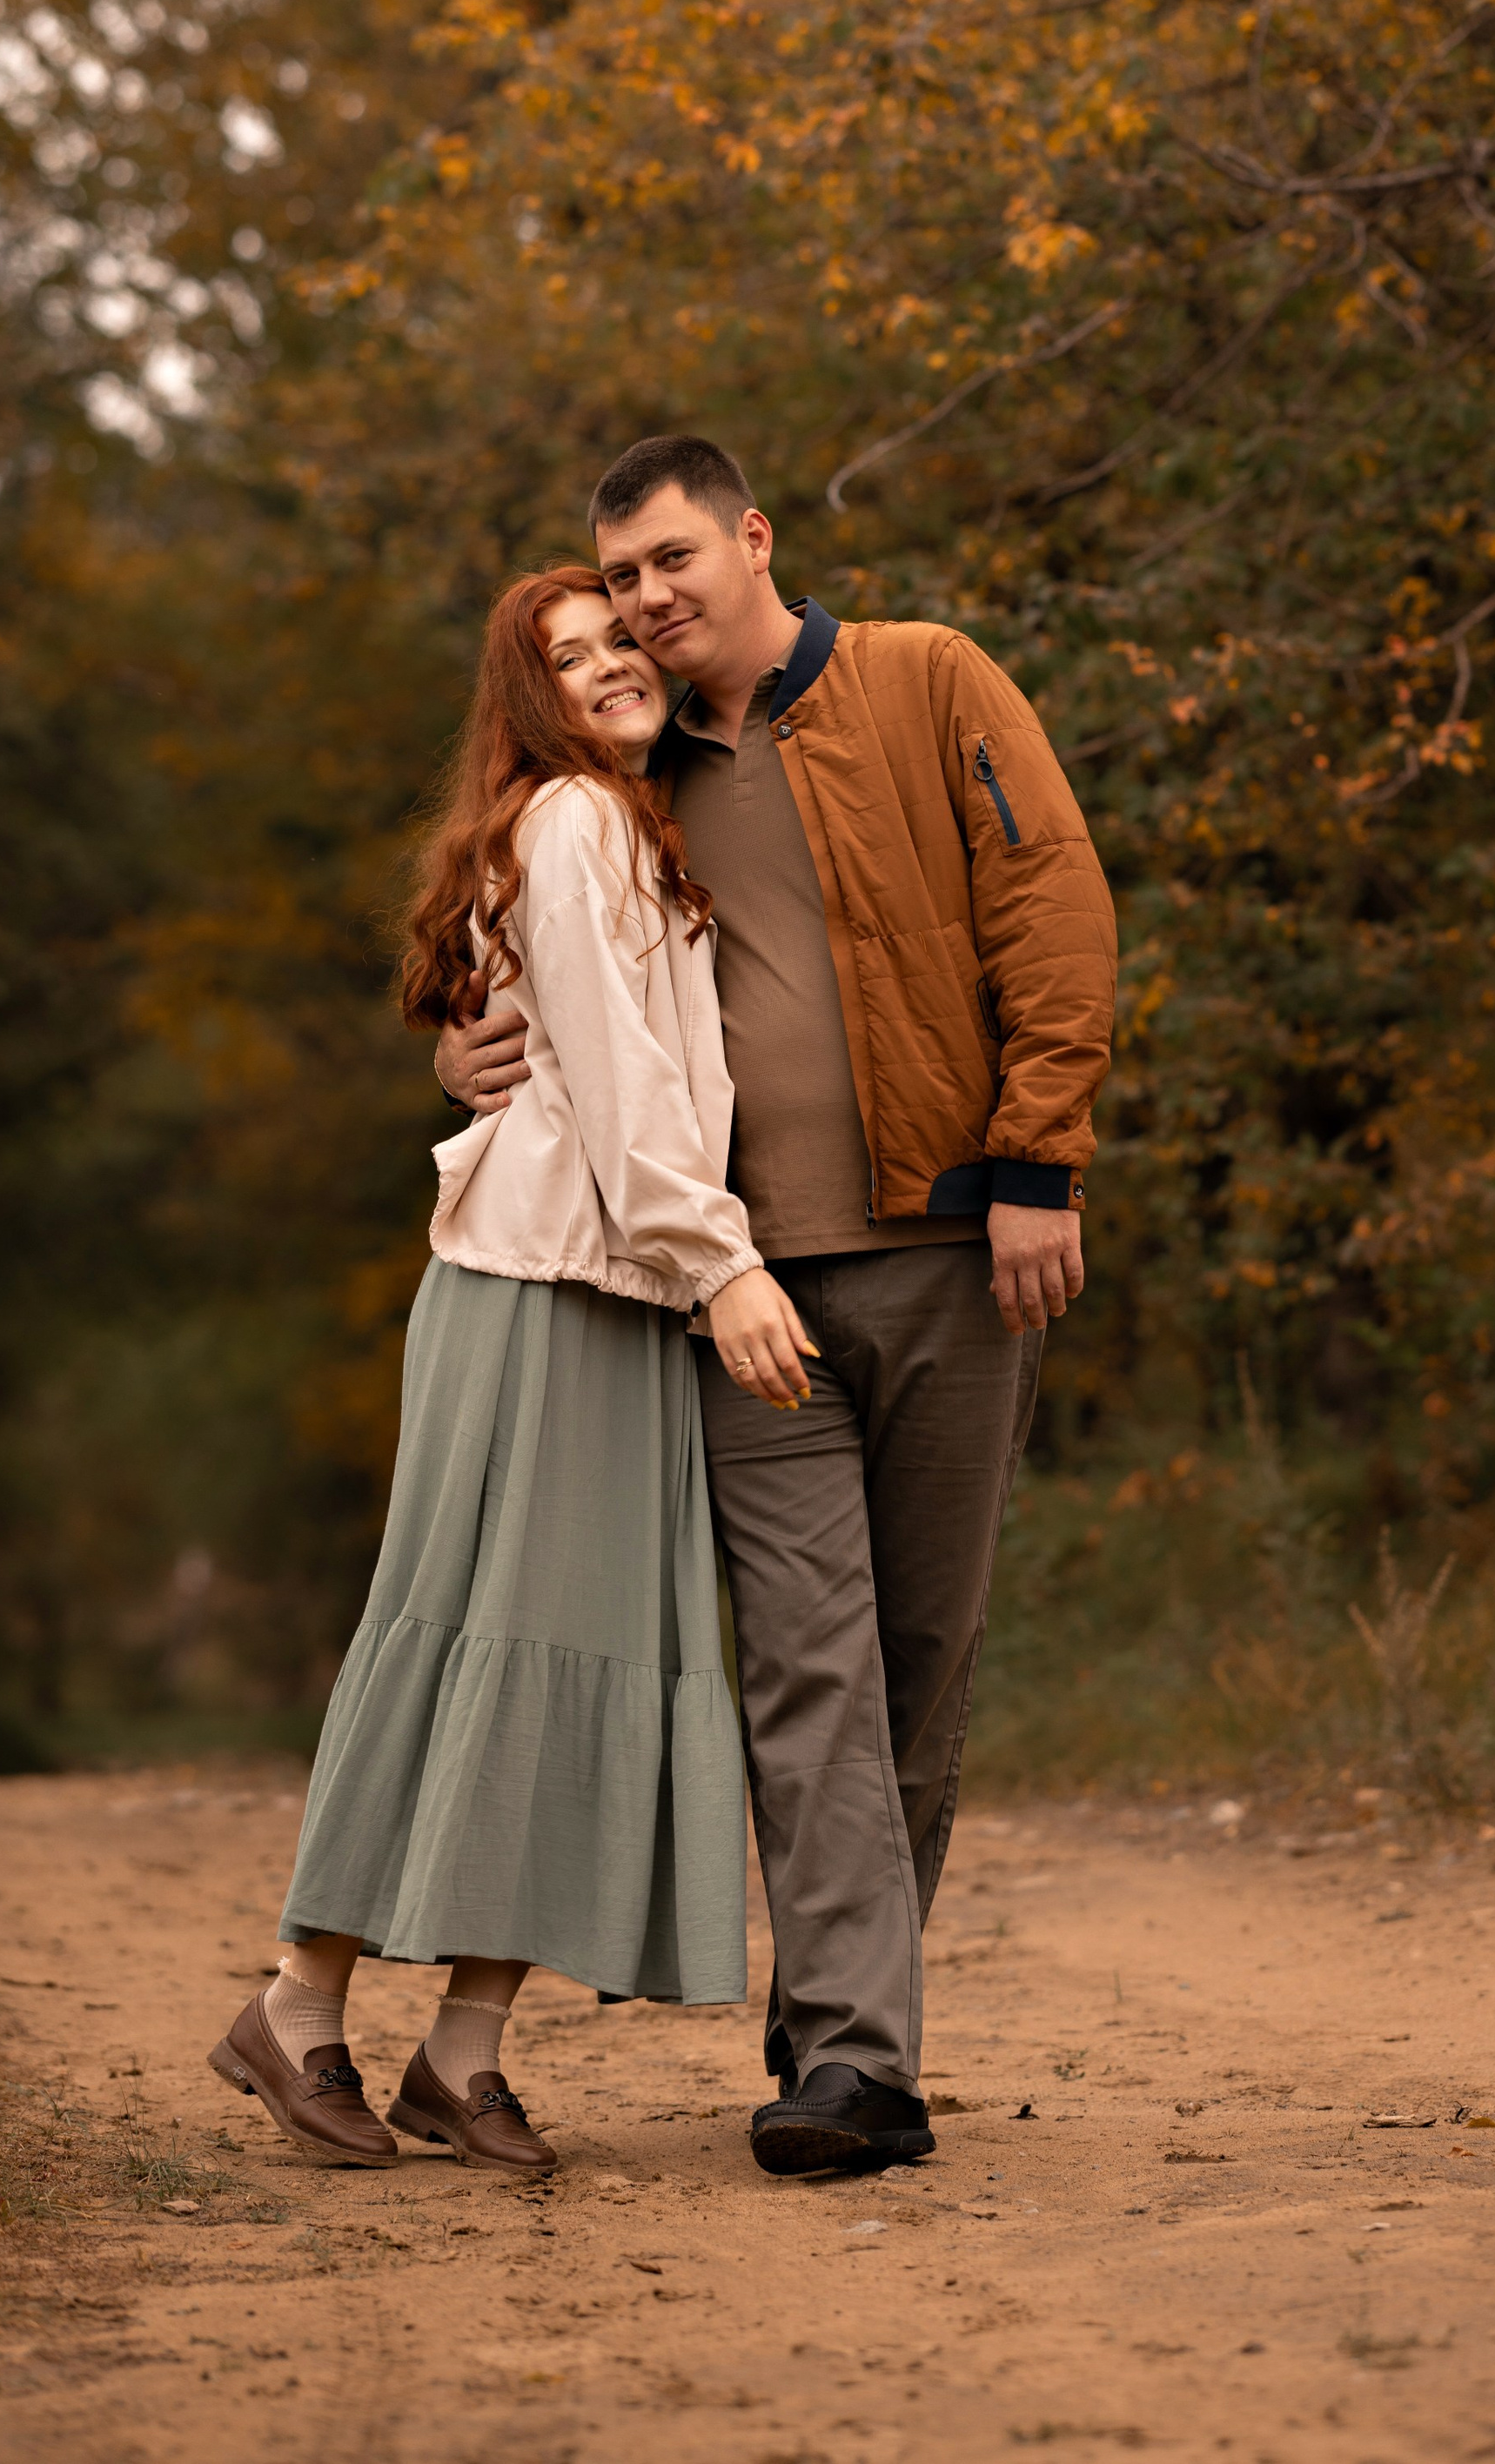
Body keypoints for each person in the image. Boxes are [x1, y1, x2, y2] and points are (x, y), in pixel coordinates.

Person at [438, 435, 1116, 2179]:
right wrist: (463, 1039)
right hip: (740, 1289)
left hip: (954, 1246)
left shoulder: (924, 677)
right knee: (809, 1663)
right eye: (622, 577)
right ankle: (857, 2062)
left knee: (918, 1663)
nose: (648, 600)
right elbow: (538, 944)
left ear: (750, 539)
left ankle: (833, 2009)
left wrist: (1038, 1159)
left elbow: (1050, 904)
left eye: (671, 561)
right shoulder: (631, 769)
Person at [211, 566, 813, 2173]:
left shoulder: (635, 821)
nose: (612, 662)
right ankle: (295, 2002)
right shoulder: (573, 820)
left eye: (622, 636)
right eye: (573, 653)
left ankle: (462, 2050)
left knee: (581, 1663)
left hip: (624, 1291)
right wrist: (728, 1263)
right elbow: (618, 1086)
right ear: (530, 697)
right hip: (541, 1284)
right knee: (467, 1640)